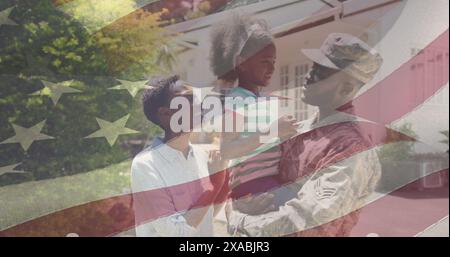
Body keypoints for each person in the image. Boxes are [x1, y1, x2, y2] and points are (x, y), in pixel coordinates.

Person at [226, 33, 384, 236]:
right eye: (313, 66)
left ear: (346, 87)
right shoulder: (297, 129)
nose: (308, 75)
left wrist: (237, 219)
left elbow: (305, 224)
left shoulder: (351, 149)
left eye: (321, 72)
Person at [208, 12, 298, 214]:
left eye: (274, 62)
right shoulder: (236, 100)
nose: (272, 68)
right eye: (265, 61)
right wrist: (273, 132)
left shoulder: (260, 100)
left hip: (271, 182)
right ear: (241, 62)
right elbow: (227, 149)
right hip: (252, 189)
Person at [131, 75, 227, 237]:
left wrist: (223, 181)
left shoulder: (203, 156)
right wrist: (213, 186)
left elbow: (206, 215)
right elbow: (176, 233)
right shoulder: (145, 165)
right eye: (187, 100)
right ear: (165, 114)